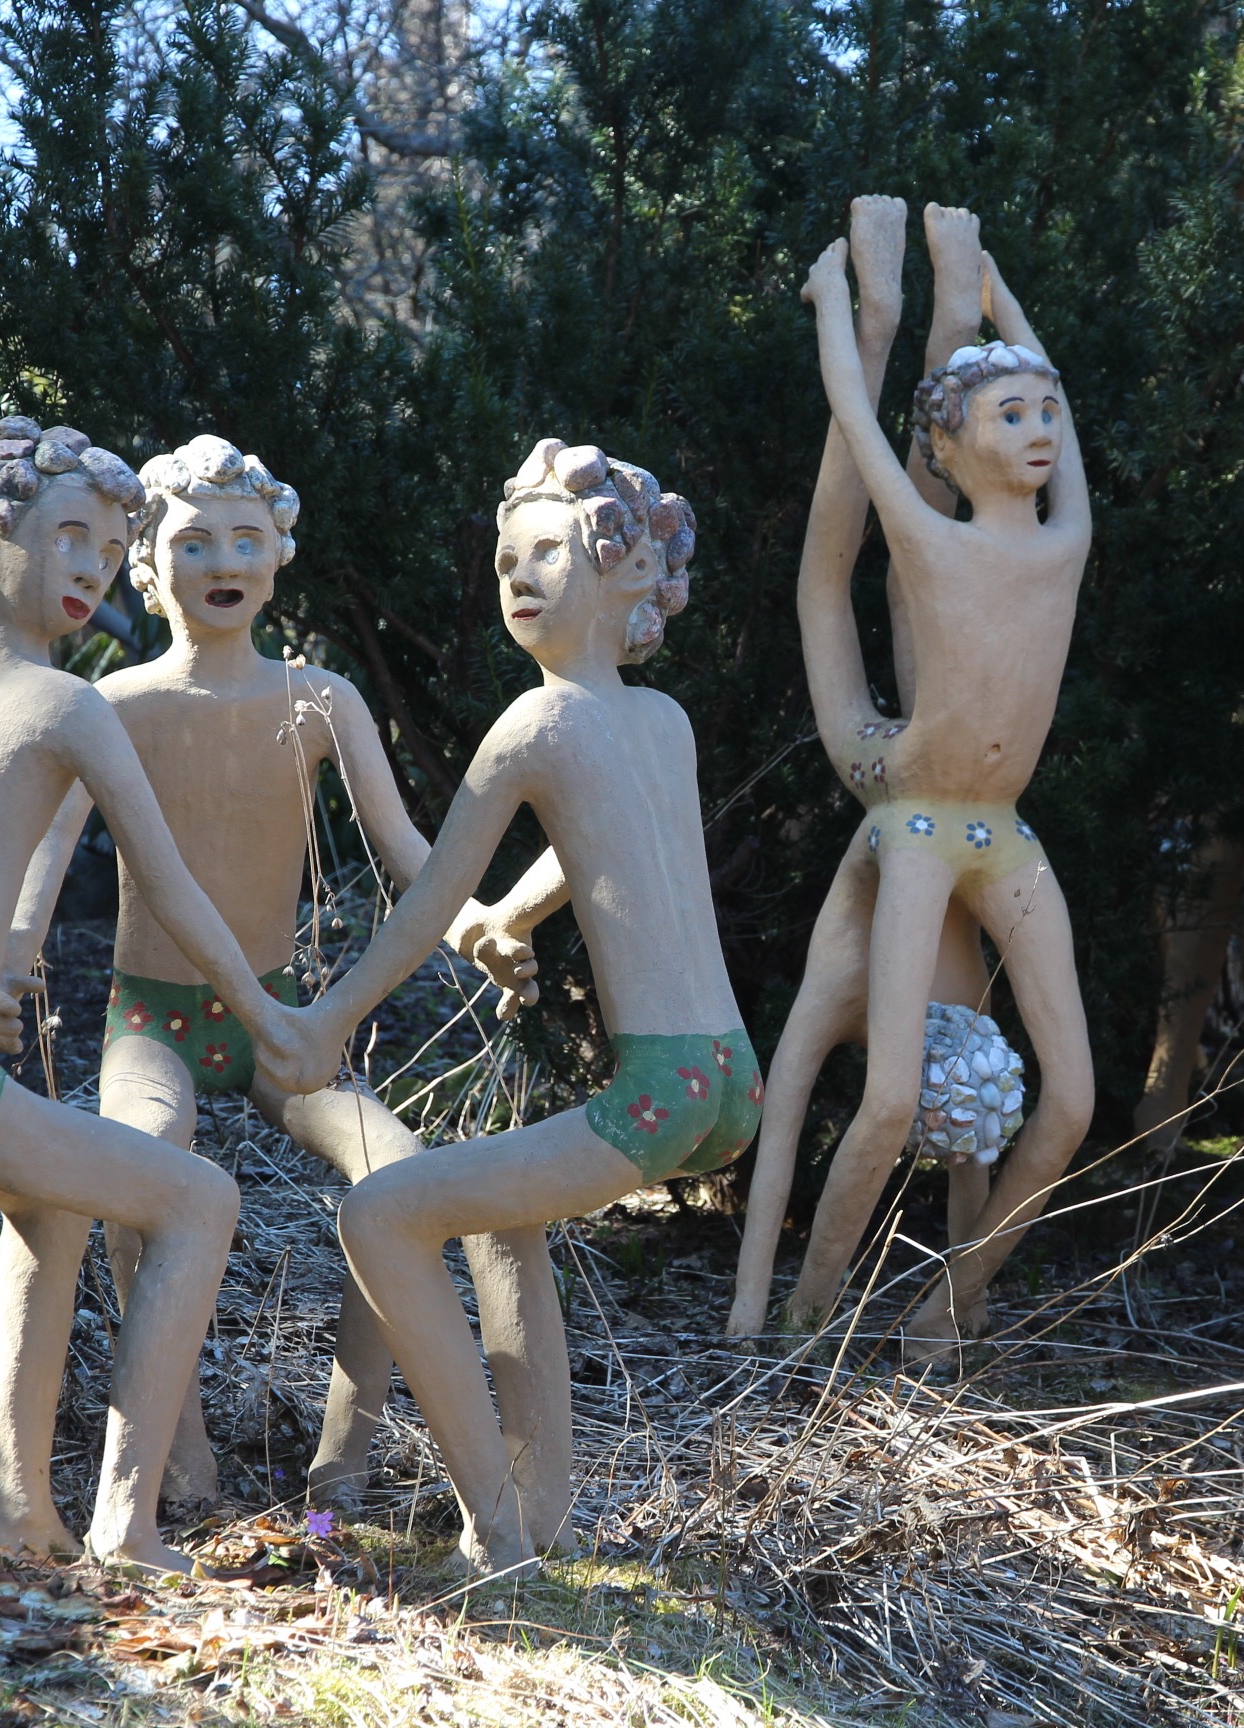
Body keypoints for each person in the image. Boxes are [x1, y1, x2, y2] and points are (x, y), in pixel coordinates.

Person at [4, 434, 569, 1525]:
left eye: (245, 539)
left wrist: (480, 928)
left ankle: (342, 1460)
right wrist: (12, 950)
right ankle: (175, 1454)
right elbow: (48, 850)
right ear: (146, 562)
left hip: (283, 1023)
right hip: (151, 1021)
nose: (223, 560)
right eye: (194, 541)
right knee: (139, 1170)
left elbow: (411, 855)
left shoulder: (322, 700)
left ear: (278, 557)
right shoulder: (114, 703)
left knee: (397, 1177)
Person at [0, 418, 314, 1573]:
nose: (92, 568)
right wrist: (269, 1014)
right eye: (70, 535)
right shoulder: (70, 705)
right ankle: (129, 1526)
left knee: (57, 1200)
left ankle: (21, 1515)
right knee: (200, 1200)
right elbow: (170, 888)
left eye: (110, 550)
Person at [289, 438, 746, 1573]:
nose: (517, 577)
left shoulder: (535, 726)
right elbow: (613, 849)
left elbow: (421, 909)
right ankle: (544, 1511)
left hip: (656, 1089)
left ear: (625, 569)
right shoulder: (665, 722)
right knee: (499, 1210)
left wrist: (325, 1020)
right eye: (504, 561)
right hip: (729, 1075)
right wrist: (515, 921)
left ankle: (494, 1536)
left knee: (379, 1215)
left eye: (546, 552)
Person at [777, 219, 1098, 1349]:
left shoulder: (1064, 542)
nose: (1041, 430)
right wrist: (840, 309)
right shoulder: (930, 536)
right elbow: (861, 430)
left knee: (1073, 1101)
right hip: (913, 811)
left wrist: (1003, 303)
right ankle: (804, 1324)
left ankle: (948, 1309)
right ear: (952, 447)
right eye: (1012, 416)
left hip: (1003, 832)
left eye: (1046, 412)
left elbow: (1066, 420)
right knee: (889, 1098)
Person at [727, 196, 1016, 1339]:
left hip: (912, 798)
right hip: (915, 793)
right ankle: (910, 313)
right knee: (882, 578)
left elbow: (799, 1110)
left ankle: (894, 312)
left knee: (859, 576)